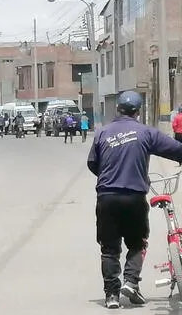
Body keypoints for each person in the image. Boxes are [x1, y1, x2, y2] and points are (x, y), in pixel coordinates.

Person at [87, 91, 182, 309]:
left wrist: (109, 176)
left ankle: (111, 296)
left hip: (107, 197)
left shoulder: (103, 133)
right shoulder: (146, 132)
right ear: (138, 112)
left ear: (118, 108)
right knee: (137, 243)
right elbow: (176, 151)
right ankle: (130, 281)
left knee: (109, 248)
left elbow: (93, 163)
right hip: (134, 197)